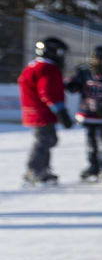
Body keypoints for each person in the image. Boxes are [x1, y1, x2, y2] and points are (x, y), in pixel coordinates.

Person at [18, 36, 74, 185]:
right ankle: (34, 171)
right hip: (42, 112)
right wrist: (61, 111)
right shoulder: (48, 68)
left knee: (47, 140)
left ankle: (43, 169)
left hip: (35, 111)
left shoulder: (33, 66)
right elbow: (47, 92)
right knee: (44, 141)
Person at [64, 45, 102, 182]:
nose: (100, 61)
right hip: (88, 116)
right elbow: (74, 86)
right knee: (91, 144)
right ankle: (93, 166)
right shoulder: (84, 72)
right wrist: (71, 84)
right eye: (97, 58)